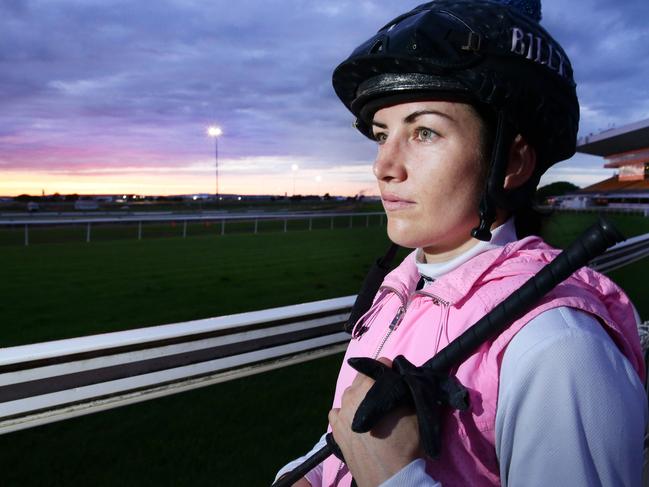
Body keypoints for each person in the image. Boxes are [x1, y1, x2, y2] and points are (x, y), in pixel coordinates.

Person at [275, 0, 648, 485]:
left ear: (512, 163)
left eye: (424, 132)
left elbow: (376, 457)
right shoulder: (398, 289)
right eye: (381, 135)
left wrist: (394, 479)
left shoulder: (559, 347)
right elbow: (348, 435)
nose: (383, 165)